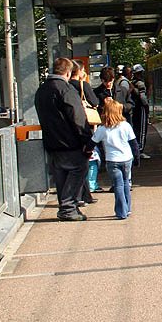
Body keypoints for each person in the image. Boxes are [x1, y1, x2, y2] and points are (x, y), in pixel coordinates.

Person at [34, 57, 94, 221]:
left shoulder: (42, 90)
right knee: (78, 170)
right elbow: (77, 117)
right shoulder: (65, 90)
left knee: (61, 175)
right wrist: (88, 140)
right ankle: (68, 208)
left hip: (51, 142)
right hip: (70, 142)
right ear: (68, 72)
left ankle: (67, 208)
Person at [92, 98, 139, 220]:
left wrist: (86, 151)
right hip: (127, 159)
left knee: (118, 185)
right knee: (126, 183)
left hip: (112, 161)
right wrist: (137, 158)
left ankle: (121, 211)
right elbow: (134, 144)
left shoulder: (102, 129)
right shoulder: (126, 126)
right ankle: (127, 209)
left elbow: (92, 142)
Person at [68, 60, 97, 204]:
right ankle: (80, 196)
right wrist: (84, 81)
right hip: (84, 126)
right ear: (79, 71)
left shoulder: (65, 86)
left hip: (70, 129)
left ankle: (85, 195)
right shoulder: (83, 85)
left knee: (78, 162)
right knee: (84, 163)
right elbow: (94, 102)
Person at [131, 64, 151, 159]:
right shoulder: (140, 84)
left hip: (135, 108)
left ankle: (136, 148)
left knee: (136, 128)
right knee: (142, 130)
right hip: (141, 108)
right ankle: (140, 149)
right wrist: (146, 106)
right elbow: (142, 97)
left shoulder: (132, 83)